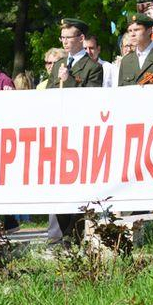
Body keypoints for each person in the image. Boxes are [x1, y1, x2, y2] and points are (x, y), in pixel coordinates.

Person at [46, 18, 103, 247]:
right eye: (63, 38)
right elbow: (49, 93)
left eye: (69, 37)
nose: (65, 42)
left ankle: (74, 234)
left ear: (81, 39)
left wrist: (68, 82)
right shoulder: (60, 64)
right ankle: (58, 236)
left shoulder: (92, 68)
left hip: (79, 135)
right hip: (58, 134)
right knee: (58, 186)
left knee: (77, 187)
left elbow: (90, 101)